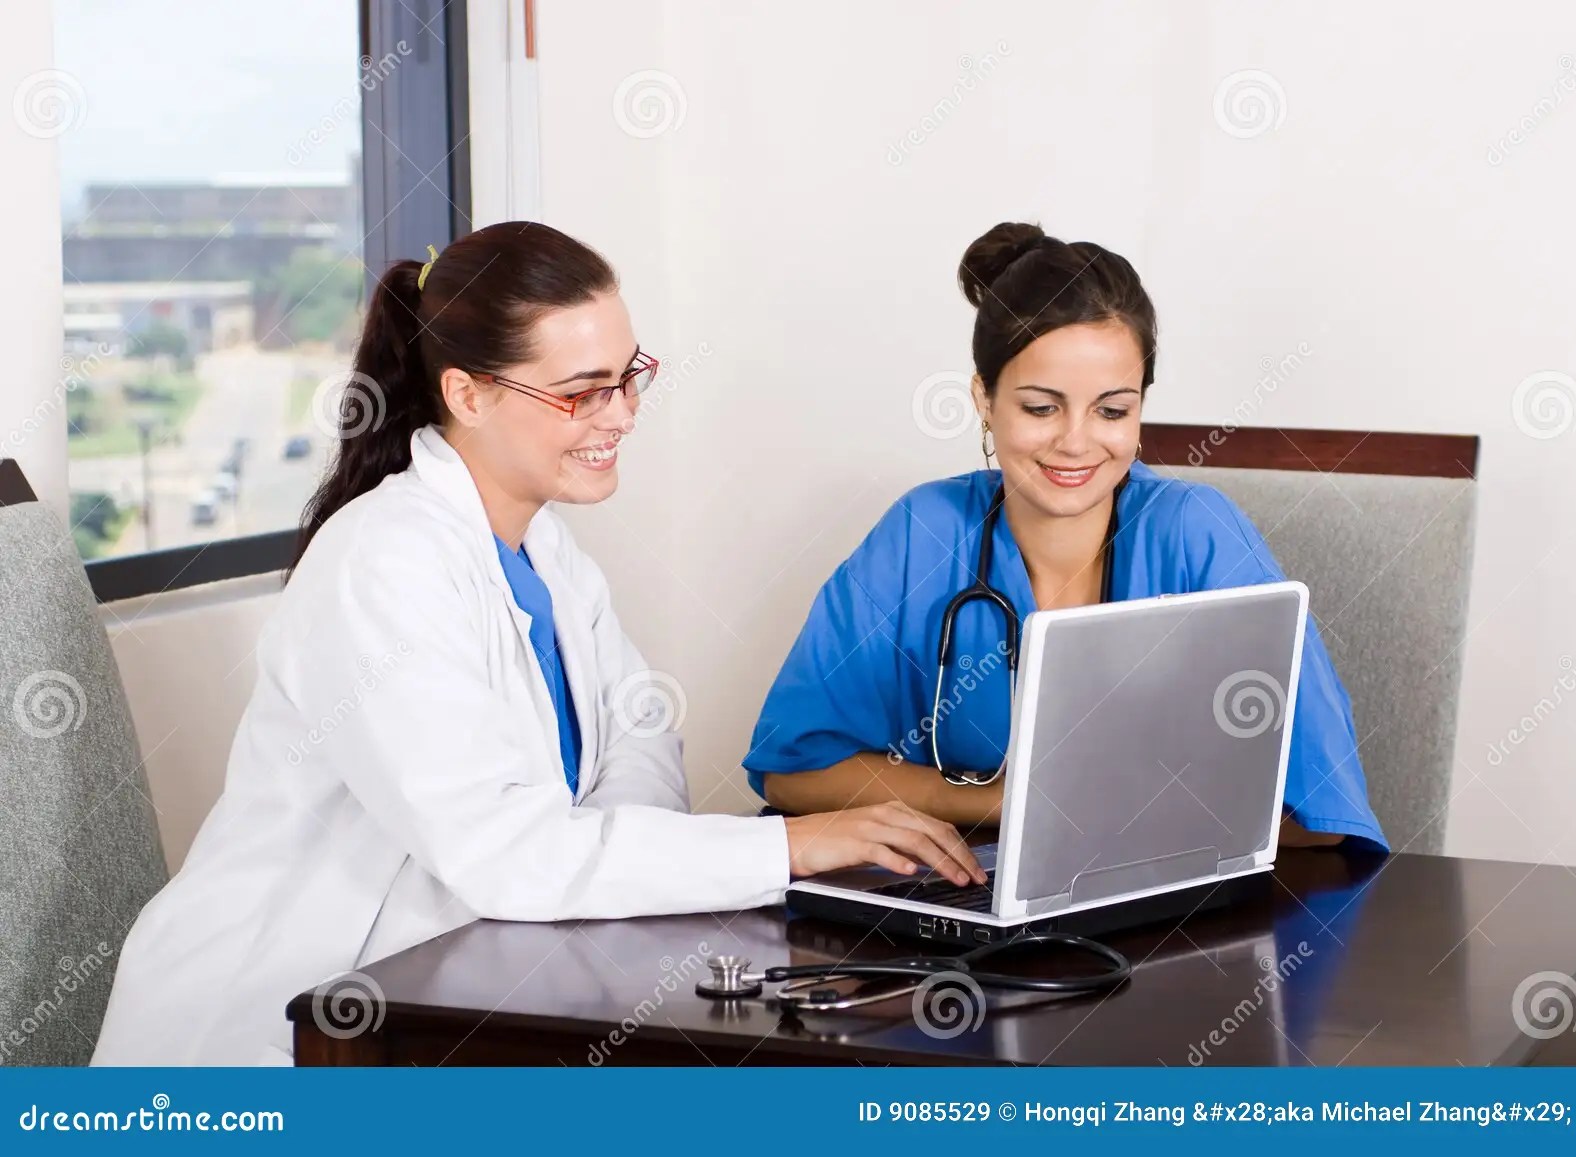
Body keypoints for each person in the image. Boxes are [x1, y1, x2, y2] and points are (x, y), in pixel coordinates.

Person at [91, 221, 982, 1066]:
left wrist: (593, 852)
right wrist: (789, 847)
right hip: (283, 1027)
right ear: (467, 394)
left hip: (475, 982)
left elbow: (641, 741)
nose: (623, 414)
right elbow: (506, 853)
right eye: (581, 391)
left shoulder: (545, 550)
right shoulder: (382, 562)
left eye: (629, 374)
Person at [742, 221, 1388, 853]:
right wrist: (1015, 805)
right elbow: (793, 769)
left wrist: (1110, 834)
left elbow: (1322, 813)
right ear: (984, 398)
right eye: (1041, 407)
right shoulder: (922, 533)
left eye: (1112, 409)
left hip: (1176, 929)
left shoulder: (1199, 536)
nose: (1076, 440)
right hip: (967, 912)